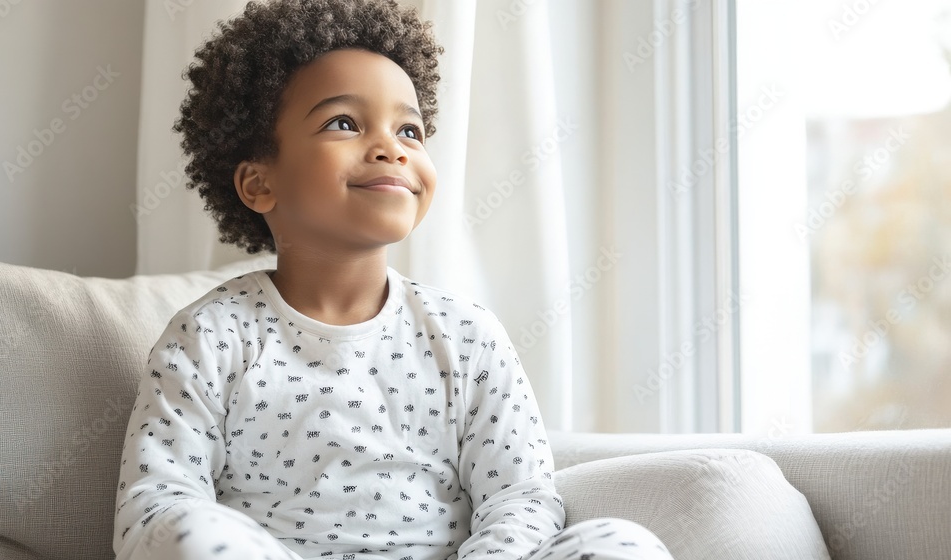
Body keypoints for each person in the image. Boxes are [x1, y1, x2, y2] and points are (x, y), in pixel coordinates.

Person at [113, 1, 675, 559]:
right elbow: (155, 509)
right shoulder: (210, 337)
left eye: (410, 129)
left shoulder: (468, 336)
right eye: (345, 124)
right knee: (191, 531)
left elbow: (521, 497)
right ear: (259, 184)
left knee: (626, 544)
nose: (392, 148)